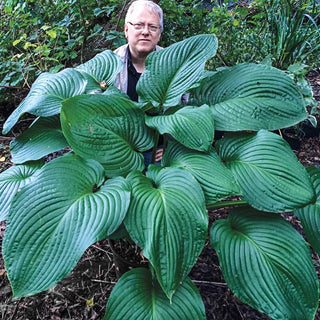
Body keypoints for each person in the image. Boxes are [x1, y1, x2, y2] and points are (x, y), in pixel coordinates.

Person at [114, 0, 164, 164]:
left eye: (152, 27)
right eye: (139, 25)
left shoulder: (174, 65)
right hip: (119, 151)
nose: (145, 32)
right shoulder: (108, 65)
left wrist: (173, 146)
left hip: (161, 152)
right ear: (127, 30)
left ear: (159, 34)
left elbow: (186, 109)